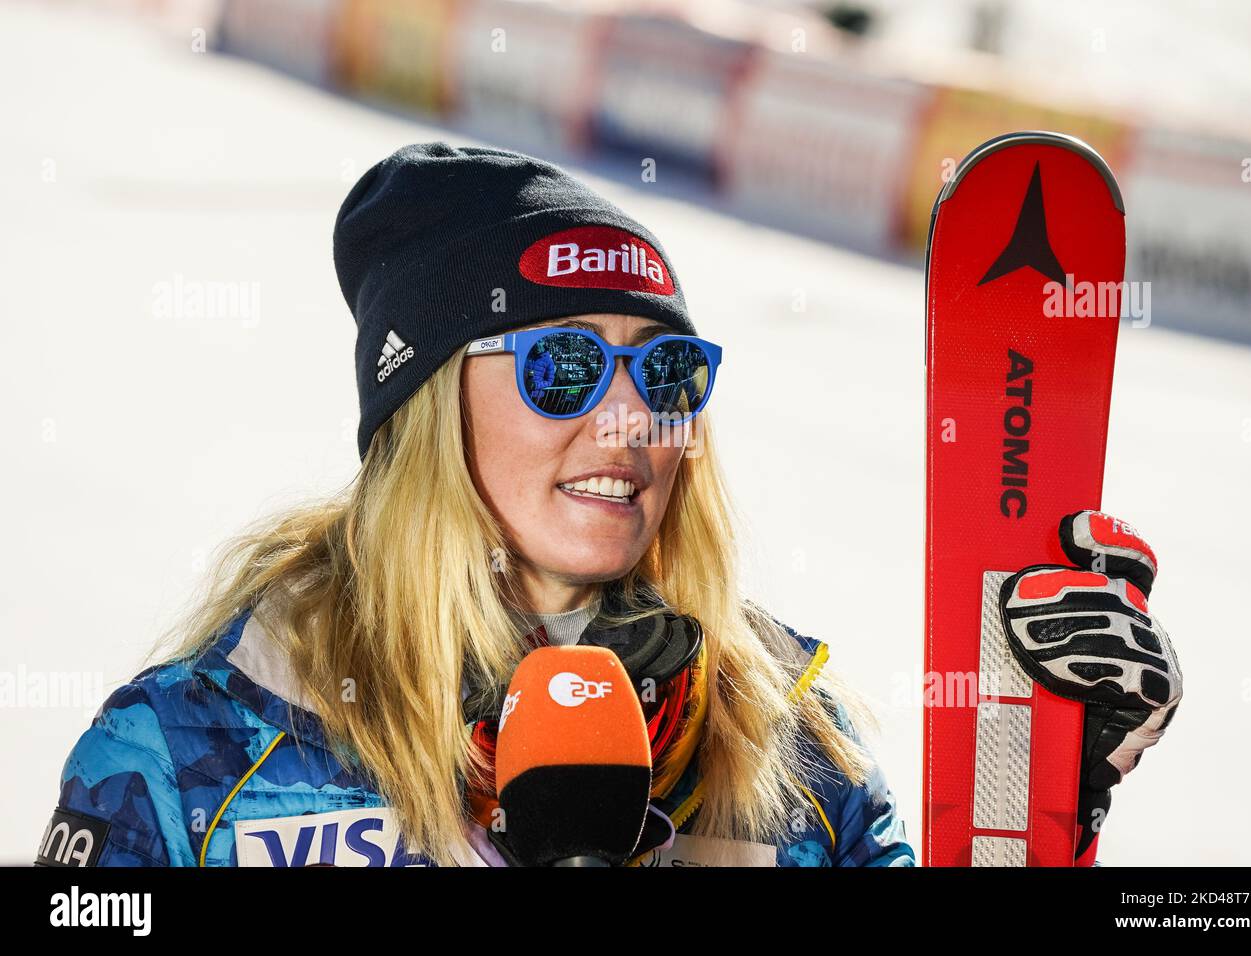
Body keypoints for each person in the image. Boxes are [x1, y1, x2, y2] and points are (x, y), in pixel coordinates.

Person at [36, 144, 1177, 868]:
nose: (632, 421)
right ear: (427, 407)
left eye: (667, 373)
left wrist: (1039, 791)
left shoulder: (792, 753)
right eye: (564, 366)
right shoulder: (189, 753)